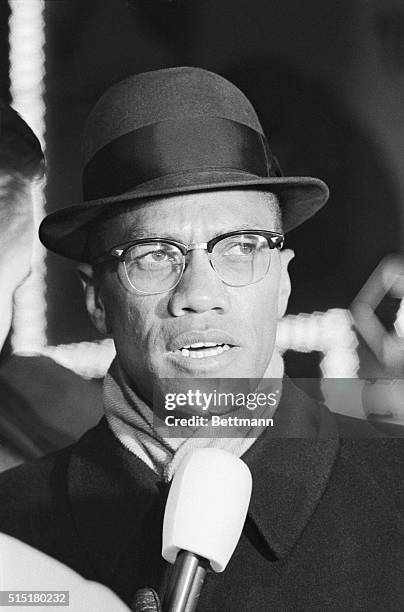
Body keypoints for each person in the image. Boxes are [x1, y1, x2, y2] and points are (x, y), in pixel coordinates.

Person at [0, 67, 403, 611]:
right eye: (154, 255)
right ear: (97, 299)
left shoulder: (393, 487)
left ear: (282, 278)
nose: (199, 294)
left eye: (240, 246)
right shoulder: (14, 520)